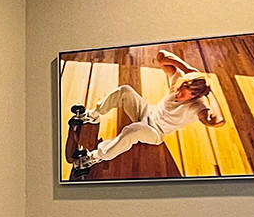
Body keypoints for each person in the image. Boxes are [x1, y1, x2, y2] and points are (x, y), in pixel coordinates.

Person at [74, 50, 223, 171]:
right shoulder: (180, 82)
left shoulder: (197, 106)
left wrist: (210, 92)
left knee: (132, 130)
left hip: (155, 131)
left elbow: (218, 121)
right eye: (180, 88)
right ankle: (93, 116)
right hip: (147, 112)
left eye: (184, 93)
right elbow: (162, 56)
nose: (178, 93)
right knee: (125, 91)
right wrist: (188, 70)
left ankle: (95, 156)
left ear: (196, 95)